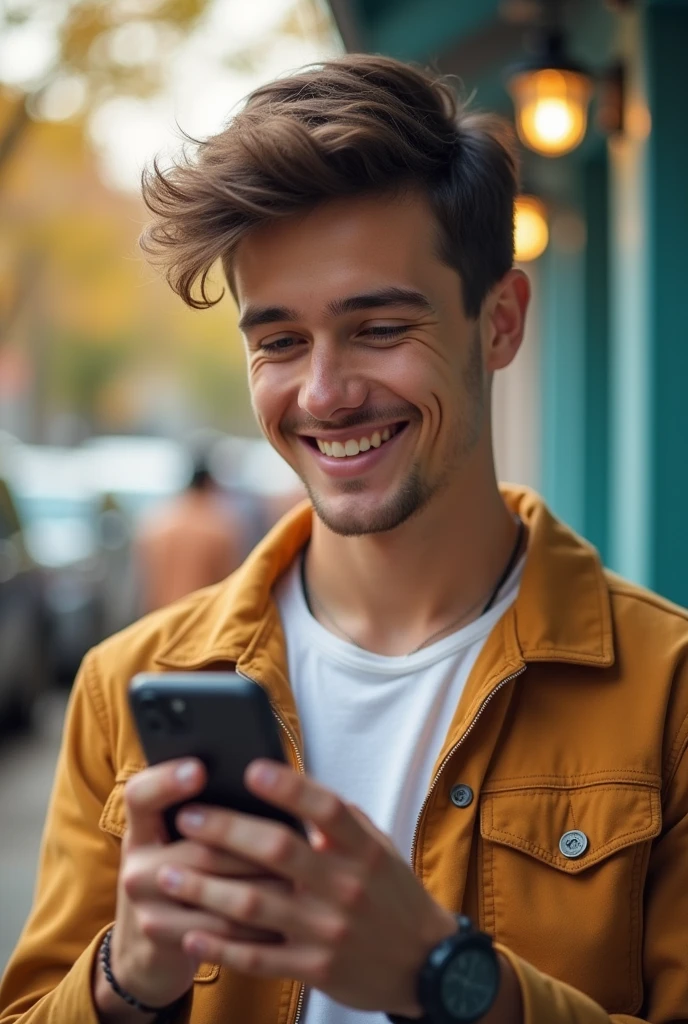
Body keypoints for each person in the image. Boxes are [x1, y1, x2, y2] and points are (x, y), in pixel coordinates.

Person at [1, 54, 687, 1024]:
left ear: (499, 323)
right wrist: (126, 980)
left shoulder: (669, 693)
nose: (322, 394)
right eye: (278, 342)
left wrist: (449, 979)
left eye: (375, 328)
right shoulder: (124, 689)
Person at [134, 455, 243, 613]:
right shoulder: (219, 526)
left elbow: (143, 582)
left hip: (160, 617)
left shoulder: (158, 522)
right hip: (199, 618)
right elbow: (229, 583)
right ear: (209, 483)